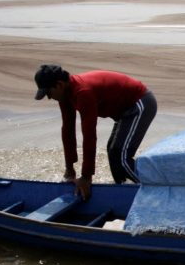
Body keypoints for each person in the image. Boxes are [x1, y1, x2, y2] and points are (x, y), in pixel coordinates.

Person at [34, 64, 157, 200]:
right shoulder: (64, 96)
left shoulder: (83, 92)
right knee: (112, 152)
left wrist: (86, 177)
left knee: (121, 157)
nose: (49, 98)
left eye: (48, 93)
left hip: (140, 103)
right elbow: (68, 131)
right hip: (123, 111)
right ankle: (125, 191)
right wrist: (70, 169)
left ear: (59, 85)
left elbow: (89, 136)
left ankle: (157, 190)